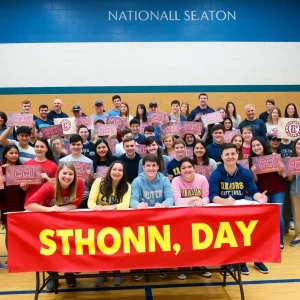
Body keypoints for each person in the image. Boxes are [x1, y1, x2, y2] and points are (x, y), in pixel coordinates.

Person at [209, 143, 268, 275]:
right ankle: (228, 261)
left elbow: (253, 191)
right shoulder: (216, 173)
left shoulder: (245, 172)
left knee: (251, 230)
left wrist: (259, 197)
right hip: (221, 210)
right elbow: (212, 195)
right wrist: (225, 202)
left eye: (233, 154)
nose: (230, 156)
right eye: (227, 154)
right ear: (222, 156)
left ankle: (249, 259)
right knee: (225, 235)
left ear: (237, 155)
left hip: (239, 210)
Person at [24, 162, 84, 291]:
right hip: (49, 222)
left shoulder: (79, 183)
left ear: (74, 176)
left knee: (69, 247)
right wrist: (50, 209)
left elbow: (76, 203)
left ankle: (69, 272)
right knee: (50, 249)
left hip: (67, 221)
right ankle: (52, 275)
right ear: (58, 174)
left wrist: (62, 209)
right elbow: (28, 205)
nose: (67, 176)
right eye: (64, 173)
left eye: (70, 174)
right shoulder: (49, 186)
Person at [88, 161, 131, 287]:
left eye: (120, 170)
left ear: (123, 173)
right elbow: (90, 202)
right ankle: (102, 272)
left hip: (118, 221)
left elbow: (125, 204)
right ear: (109, 170)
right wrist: (96, 207)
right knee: (101, 247)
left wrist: (111, 207)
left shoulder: (127, 186)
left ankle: (117, 271)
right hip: (100, 221)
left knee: (117, 247)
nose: (117, 172)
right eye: (114, 169)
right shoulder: (99, 182)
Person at [171, 157, 211, 279]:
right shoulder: (176, 181)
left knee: (200, 240)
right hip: (182, 217)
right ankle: (183, 265)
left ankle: (199, 264)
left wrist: (200, 202)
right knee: (183, 240)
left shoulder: (202, 179)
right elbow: (177, 202)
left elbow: (206, 198)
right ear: (179, 170)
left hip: (199, 215)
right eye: (183, 168)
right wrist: (194, 199)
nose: (187, 170)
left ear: (194, 168)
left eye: (189, 167)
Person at [249, 137, 286, 250]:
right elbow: (255, 180)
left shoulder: (274, 156)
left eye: (258, 145)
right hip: (262, 191)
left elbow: (281, 175)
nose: (256, 147)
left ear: (263, 145)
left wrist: (281, 167)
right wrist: (253, 172)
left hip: (277, 189)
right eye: (254, 146)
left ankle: (280, 241)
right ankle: (267, 241)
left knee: (278, 216)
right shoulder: (251, 160)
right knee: (265, 217)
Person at [0, 145, 27, 269]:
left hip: (21, 204)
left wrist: (24, 186)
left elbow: (26, 189)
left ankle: (23, 257)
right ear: (5, 155)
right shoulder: (1, 170)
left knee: (22, 232)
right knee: (9, 233)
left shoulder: (22, 169)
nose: (14, 155)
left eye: (16, 153)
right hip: (6, 205)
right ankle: (11, 257)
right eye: (11, 153)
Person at [59, 134, 94, 208]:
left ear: (82, 145)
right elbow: (59, 180)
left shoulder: (89, 162)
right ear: (69, 145)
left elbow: (90, 183)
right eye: (73, 144)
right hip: (66, 197)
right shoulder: (62, 161)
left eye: (78, 144)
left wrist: (88, 177)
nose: (76, 147)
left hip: (84, 197)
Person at [23, 138, 58, 202]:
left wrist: (48, 179)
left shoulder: (53, 165)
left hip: (48, 201)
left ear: (46, 149)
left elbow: (57, 185)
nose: (39, 149)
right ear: (34, 148)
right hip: (31, 201)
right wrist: (24, 187)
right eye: (37, 146)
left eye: (42, 147)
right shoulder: (26, 164)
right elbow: (24, 188)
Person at [287, 138, 300, 246]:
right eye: (298, 144)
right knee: (297, 213)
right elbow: (290, 179)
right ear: (295, 146)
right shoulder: (291, 159)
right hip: (295, 190)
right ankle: (298, 234)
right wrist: (289, 171)